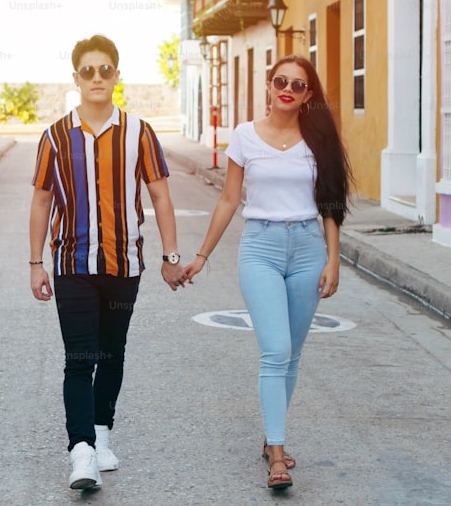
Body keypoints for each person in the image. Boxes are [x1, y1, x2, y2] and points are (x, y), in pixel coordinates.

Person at [183, 55, 353, 490]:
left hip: (308, 250)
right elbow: (228, 200)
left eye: (298, 85)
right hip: (260, 248)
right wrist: (202, 256)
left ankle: (270, 435)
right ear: (269, 85)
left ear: (308, 95)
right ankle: (277, 453)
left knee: (291, 354)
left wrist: (333, 259)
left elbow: (330, 205)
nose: (288, 89)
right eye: (281, 81)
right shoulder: (244, 136)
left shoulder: (319, 140)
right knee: (275, 349)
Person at [29, 33, 188, 491]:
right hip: (72, 263)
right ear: (75, 77)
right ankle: (80, 452)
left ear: (117, 75)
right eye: (87, 71)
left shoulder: (140, 131)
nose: (96, 78)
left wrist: (170, 257)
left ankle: (100, 436)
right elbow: (41, 202)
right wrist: (35, 263)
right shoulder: (55, 136)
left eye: (105, 70)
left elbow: (160, 195)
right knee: (79, 357)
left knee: (112, 353)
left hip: (125, 265)